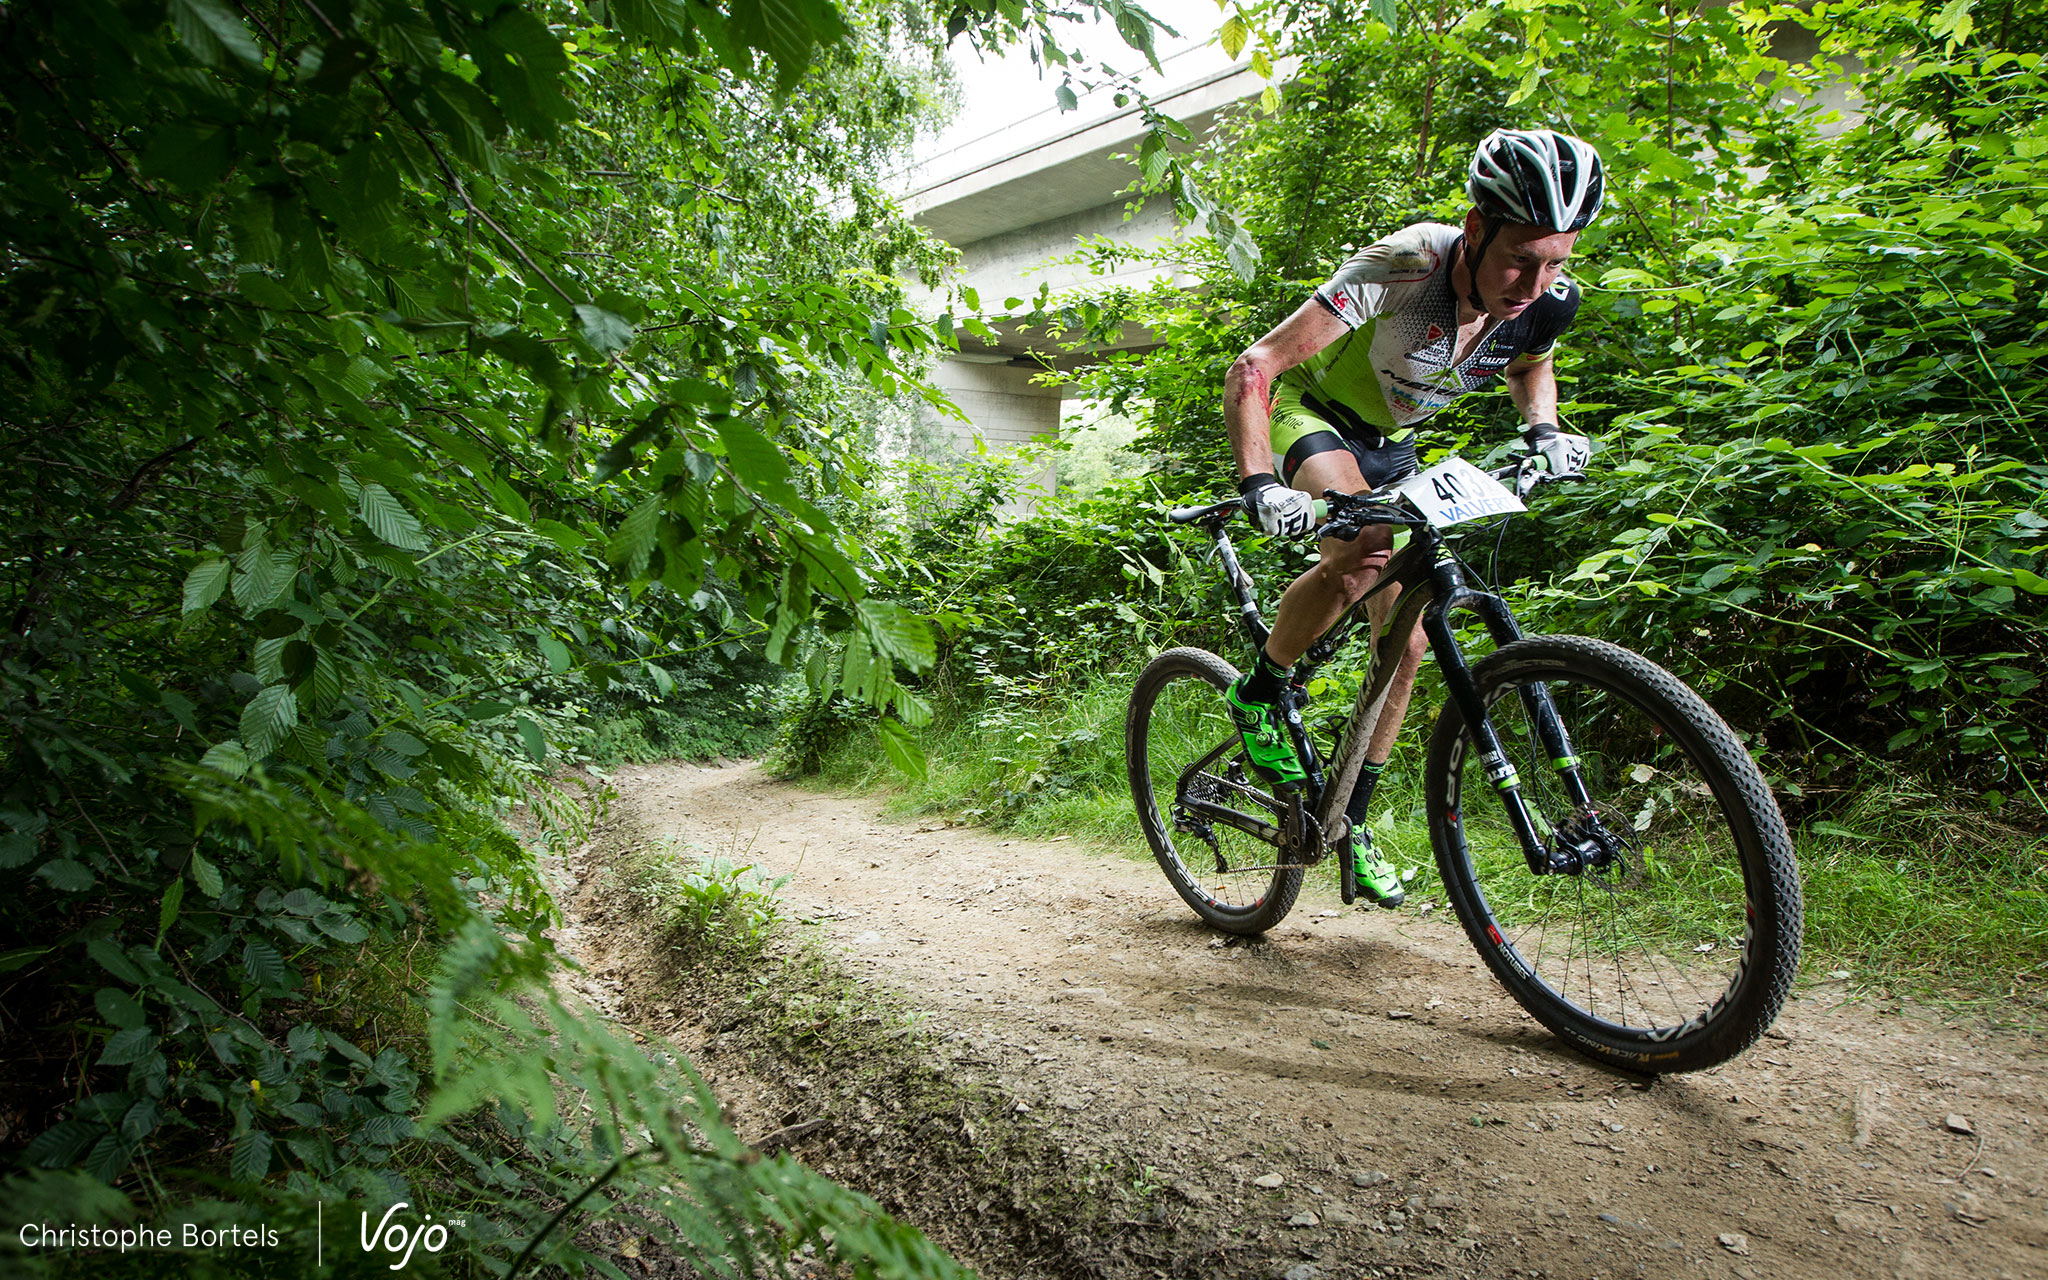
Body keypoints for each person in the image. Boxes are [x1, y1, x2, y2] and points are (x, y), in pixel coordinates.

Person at [1221, 128, 1603, 909]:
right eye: (1519, 258)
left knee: (1412, 636)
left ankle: (1349, 823)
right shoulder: (1406, 266)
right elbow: (1258, 366)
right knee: (1364, 550)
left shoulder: (1546, 303)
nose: (1534, 281)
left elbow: (1531, 363)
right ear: (1474, 229)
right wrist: (1262, 484)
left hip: (1396, 438)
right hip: (1312, 411)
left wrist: (1543, 431)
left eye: (1556, 260)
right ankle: (1260, 689)